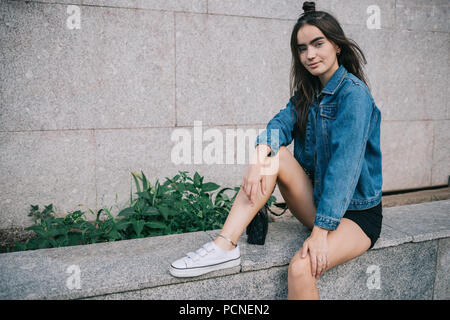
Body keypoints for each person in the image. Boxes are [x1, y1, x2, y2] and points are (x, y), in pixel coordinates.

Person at [169, 1, 383, 300]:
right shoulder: (309, 92)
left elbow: (343, 170)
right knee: (274, 155)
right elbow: (279, 123)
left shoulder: (354, 96)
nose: (309, 54)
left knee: (300, 268)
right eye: (302, 48)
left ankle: (229, 244)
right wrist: (259, 156)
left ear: (337, 45)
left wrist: (320, 233)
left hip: (356, 215)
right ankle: (224, 245)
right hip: (319, 203)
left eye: (318, 44)